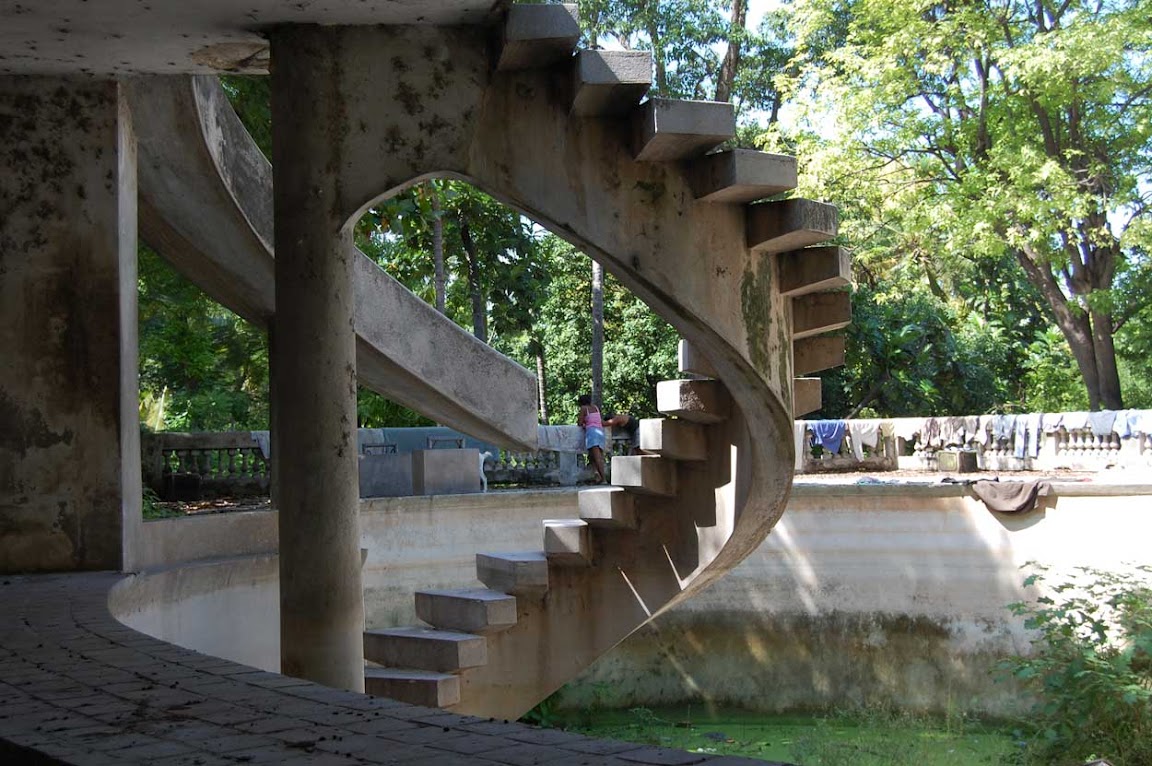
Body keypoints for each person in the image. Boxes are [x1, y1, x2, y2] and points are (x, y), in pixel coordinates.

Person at [577, 394, 607, 484]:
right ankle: (597, 477)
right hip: (600, 432)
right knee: (593, 456)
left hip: (592, 433)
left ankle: (604, 479)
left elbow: (579, 422)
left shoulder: (584, 408)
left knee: (597, 457)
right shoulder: (595, 408)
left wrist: (584, 423)